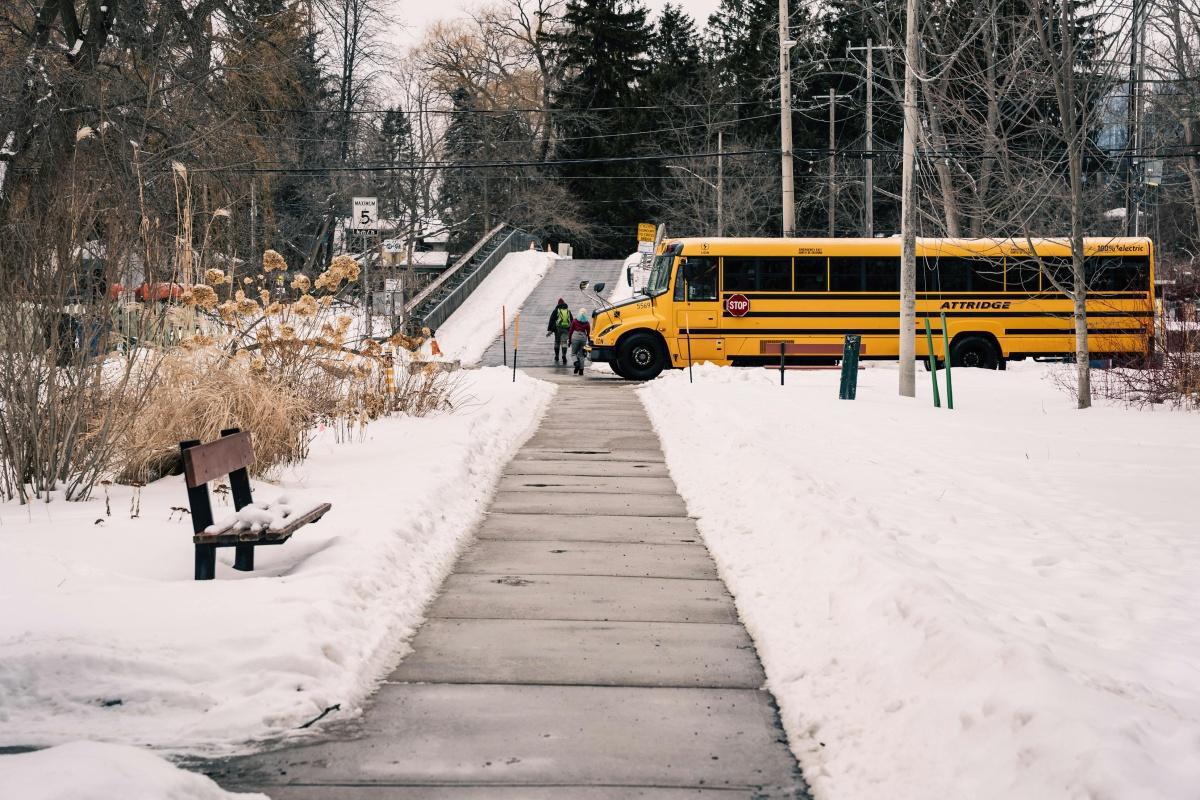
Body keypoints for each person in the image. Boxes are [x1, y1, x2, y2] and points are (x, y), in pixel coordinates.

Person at [546, 298, 571, 364]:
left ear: (558, 304)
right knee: (564, 342)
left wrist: (550, 330)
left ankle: (557, 356)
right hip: (566, 329)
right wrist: (570, 330)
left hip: (557, 329)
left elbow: (552, 320)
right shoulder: (568, 311)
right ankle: (564, 355)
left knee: (557, 342)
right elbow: (571, 320)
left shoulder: (556, 310)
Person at [568, 307, 591, 375]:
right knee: (581, 355)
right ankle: (581, 370)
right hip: (583, 337)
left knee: (573, 353)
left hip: (575, 337)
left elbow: (571, 331)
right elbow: (589, 333)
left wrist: (569, 340)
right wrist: (589, 341)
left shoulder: (575, 321)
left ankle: (576, 363)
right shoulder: (587, 322)